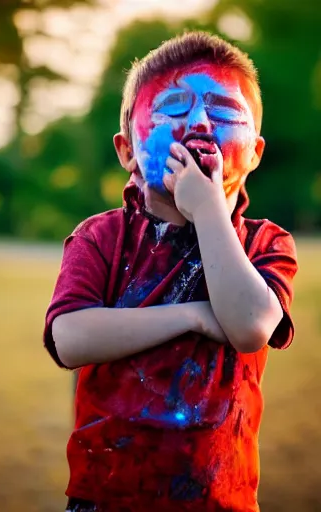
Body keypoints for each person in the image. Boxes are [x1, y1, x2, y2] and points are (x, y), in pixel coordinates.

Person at [43, 31, 298, 512]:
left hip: (220, 498)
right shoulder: (100, 237)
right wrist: (193, 316)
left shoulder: (266, 244)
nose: (200, 123)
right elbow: (70, 339)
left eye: (223, 112)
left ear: (256, 153)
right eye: (174, 108)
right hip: (108, 495)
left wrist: (207, 211)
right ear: (126, 151)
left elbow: (248, 328)